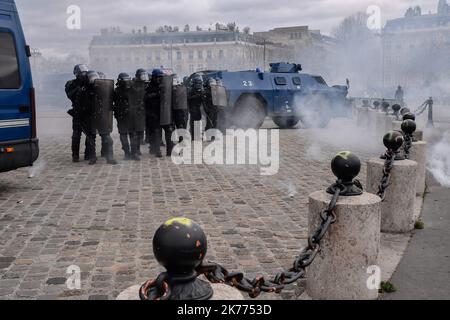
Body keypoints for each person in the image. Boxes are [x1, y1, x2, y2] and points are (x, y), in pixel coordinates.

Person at [81, 70, 117, 165]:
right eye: (91, 77)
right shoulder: (84, 89)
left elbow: (110, 99)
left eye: (94, 77)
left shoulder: (103, 87)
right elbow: (81, 103)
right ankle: (92, 157)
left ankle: (109, 156)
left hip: (101, 116)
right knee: (91, 139)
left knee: (107, 138)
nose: (93, 79)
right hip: (90, 117)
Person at [145, 69, 174, 157]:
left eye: (161, 77)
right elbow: (145, 97)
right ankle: (157, 151)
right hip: (154, 113)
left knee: (169, 131)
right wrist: (156, 94)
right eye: (158, 77)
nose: (159, 79)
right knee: (156, 133)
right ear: (154, 77)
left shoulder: (164, 86)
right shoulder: (150, 87)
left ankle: (170, 151)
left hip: (164, 113)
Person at [65, 64, 91, 162]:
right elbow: (70, 95)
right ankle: (75, 155)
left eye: (85, 72)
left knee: (89, 134)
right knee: (76, 135)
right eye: (81, 73)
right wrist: (79, 87)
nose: (83, 74)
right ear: (76, 74)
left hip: (88, 113)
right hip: (77, 112)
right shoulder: (71, 84)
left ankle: (88, 154)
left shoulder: (89, 82)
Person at [113, 73, 138, 160]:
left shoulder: (133, 89)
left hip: (131, 115)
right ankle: (127, 153)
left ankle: (134, 153)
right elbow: (111, 102)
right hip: (121, 116)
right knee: (123, 135)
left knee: (133, 134)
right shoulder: (116, 91)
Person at [187, 73, 204, 140]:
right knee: (194, 122)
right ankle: (194, 136)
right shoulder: (191, 90)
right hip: (193, 108)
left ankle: (197, 135)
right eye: (198, 83)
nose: (199, 84)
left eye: (200, 83)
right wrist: (197, 96)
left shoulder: (201, 90)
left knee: (198, 122)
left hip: (198, 108)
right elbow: (188, 98)